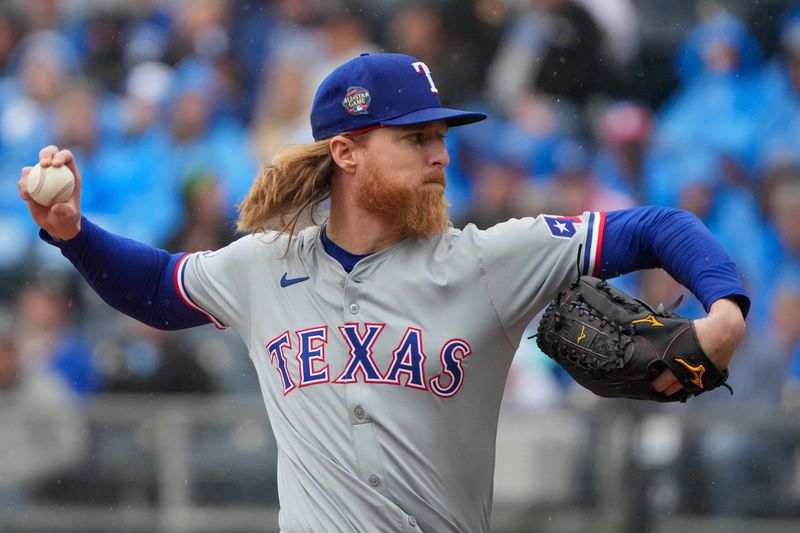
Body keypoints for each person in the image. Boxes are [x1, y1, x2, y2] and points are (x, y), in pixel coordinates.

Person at [17, 53, 748, 532]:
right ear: (347, 152)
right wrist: (73, 231)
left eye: (440, 136)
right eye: (415, 138)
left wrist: (724, 309)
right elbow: (156, 287)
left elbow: (658, 226)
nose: (440, 154)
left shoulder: (488, 260)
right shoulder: (263, 266)